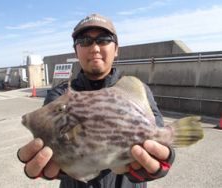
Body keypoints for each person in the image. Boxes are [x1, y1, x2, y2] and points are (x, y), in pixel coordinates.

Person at [17, 13, 175, 188]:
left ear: (116, 49)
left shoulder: (137, 91)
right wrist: (55, 165)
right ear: (76, 51)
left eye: (103, 39)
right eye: (84, 41)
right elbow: (53, 140)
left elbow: (158, 137)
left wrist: (162, 161)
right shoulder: (59, 94)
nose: (94, 48)